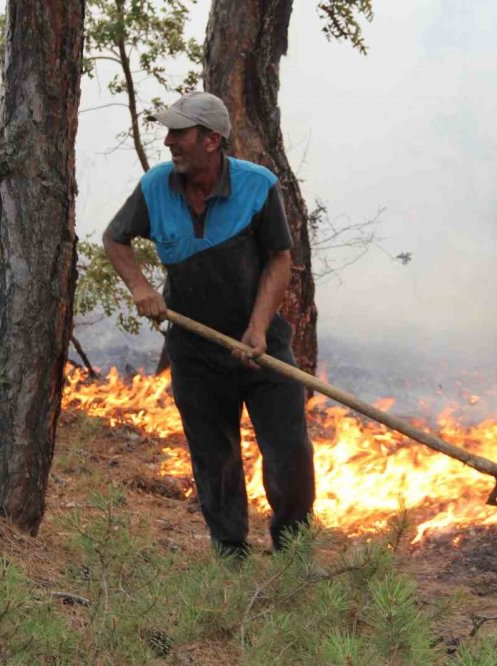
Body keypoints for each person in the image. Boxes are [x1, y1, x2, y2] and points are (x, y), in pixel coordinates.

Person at [102, 91, 315, 559]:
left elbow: (280, 260)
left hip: (261, 344)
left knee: (289, 454)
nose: (168, 141)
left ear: (212, 140)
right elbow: (115, 239)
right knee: (213, 458)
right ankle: (230, 556)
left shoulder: (258, 186)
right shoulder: (156, 187)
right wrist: (141, 287)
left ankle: (294, 556)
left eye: (179, 133)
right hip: (195, 350)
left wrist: (258, 329)